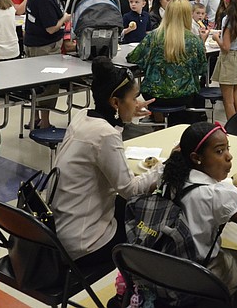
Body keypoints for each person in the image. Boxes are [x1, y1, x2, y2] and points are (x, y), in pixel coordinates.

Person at [51, 57, 160, 263]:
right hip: (86, 243)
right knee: (150, 228)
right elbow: (130, 190)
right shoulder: (105, 135)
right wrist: (164, 168)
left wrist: (126, 113)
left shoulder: (83, 116)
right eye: (134, 98)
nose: (137, 102)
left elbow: (109, 133)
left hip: (62, 228)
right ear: (115, 102)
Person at [160, 122, 237, 292]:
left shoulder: (171, 176)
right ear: (196, 158)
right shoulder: (216, 194)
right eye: (220, 151)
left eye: (228, 148)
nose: (229, 156)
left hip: (167, 260)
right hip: (198, 270)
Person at [127, 0, 207, 123]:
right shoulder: (194, 40)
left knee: (160, 95)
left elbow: (133, 57)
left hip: (153, 94)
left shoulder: (153, 36)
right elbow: (202, 68)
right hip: (183, 94)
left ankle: (159, 124)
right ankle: (177, 128)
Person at [23, 0, 74, 129]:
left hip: (33, 42)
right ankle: (44, 122)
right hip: (44, 46)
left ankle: (35, 118)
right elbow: (51, 28)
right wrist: (65, 18)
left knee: (35, 84)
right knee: (48, 85)